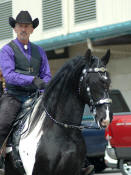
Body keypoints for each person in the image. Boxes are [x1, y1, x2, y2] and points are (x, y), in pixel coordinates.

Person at [0, 10, 51, 174]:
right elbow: (9, 75)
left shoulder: (40, 51)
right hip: (14, 97)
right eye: (20, 26)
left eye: (27, 26)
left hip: (37, 97)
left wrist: (45, 86)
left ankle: (77, 161)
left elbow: (47, 75)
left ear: (32, 29)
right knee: (3, 123)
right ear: (15, 28)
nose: (23, 29)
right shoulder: (7, 50)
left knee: (59, 116)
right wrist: (32, 80)